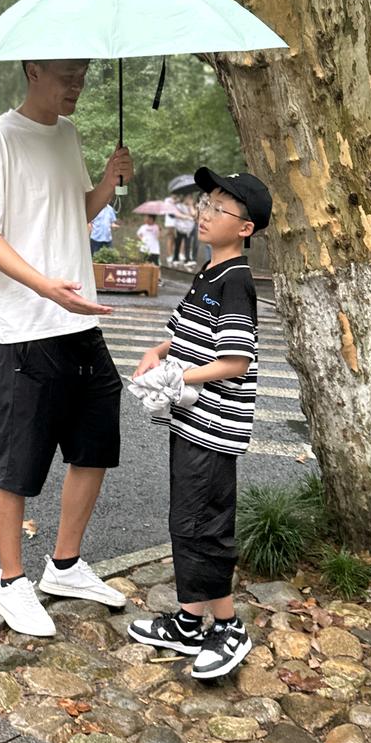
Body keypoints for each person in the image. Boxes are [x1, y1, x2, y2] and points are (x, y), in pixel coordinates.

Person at [0, 57, 133, 637]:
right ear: (34, 70)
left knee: (95, 445)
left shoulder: (68, 134)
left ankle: (64, 564)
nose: (77, 84)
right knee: (19, 460)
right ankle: (11, 583)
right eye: (67, 75)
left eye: (83, 75)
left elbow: (71, 214)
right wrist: (43, 286)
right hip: (27, 327)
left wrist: (106, 183)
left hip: (78, 319)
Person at [126, 167, 271, 680]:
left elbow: (235, 361)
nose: (204, 214)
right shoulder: (207, 273)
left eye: (218, 209)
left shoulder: (236, 283)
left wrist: (178, 375)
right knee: (185, 520)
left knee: (204, 524)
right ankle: (190, 623)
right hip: (188, 420)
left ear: (245, 229)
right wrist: (157, 351)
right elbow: (183, 333)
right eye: (205, 204)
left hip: (212, 428)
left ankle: (228, 627)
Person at [172, 194, 196, 265]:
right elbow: (176, 214)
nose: (189, 200)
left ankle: (187, 259)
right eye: (188, 198)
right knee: (177, 243)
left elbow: (193, 214)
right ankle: (175, 258)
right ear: (185, 198)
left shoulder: (190, 207)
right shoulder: (179, 205)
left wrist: (190, 206)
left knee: (188, 244)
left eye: (190, 198)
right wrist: (187, 217)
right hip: (179, 228)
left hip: (188, 229)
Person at [162, 193, 178, 264]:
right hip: (170, 223)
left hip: (177, 223)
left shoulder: (178, 200)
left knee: (175, 239)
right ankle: (169, 256)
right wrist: (175, 202)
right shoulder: (168, 200)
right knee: (170, 238)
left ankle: (173, 255)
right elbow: (168, 209)